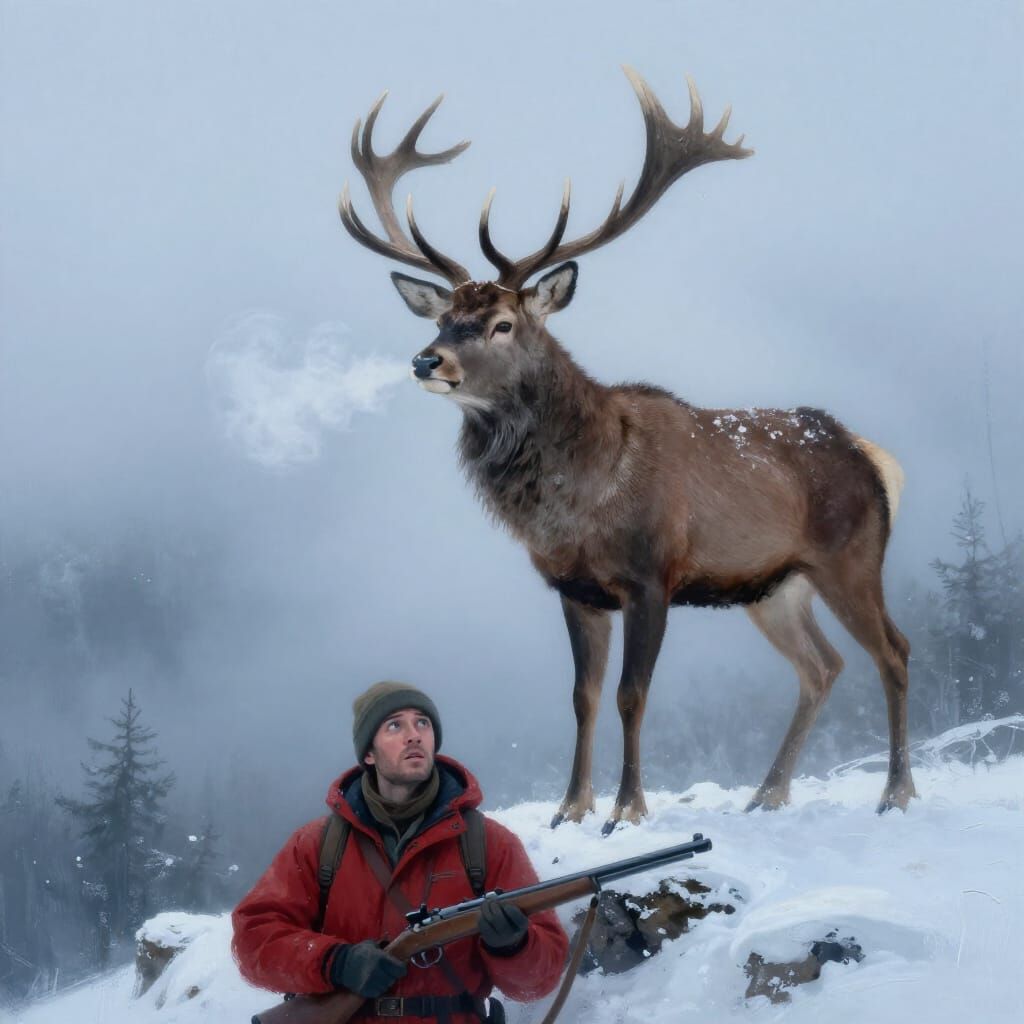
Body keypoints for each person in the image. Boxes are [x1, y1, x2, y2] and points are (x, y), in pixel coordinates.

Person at [232, 681, 568, 1022]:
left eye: (423, 723)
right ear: (368, 753)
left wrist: (514, 945)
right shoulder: (319, 844)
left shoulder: (488, 842)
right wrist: (336, 962)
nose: (414, 735)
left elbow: (539, 982)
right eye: (395, 725)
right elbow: (253, 940)